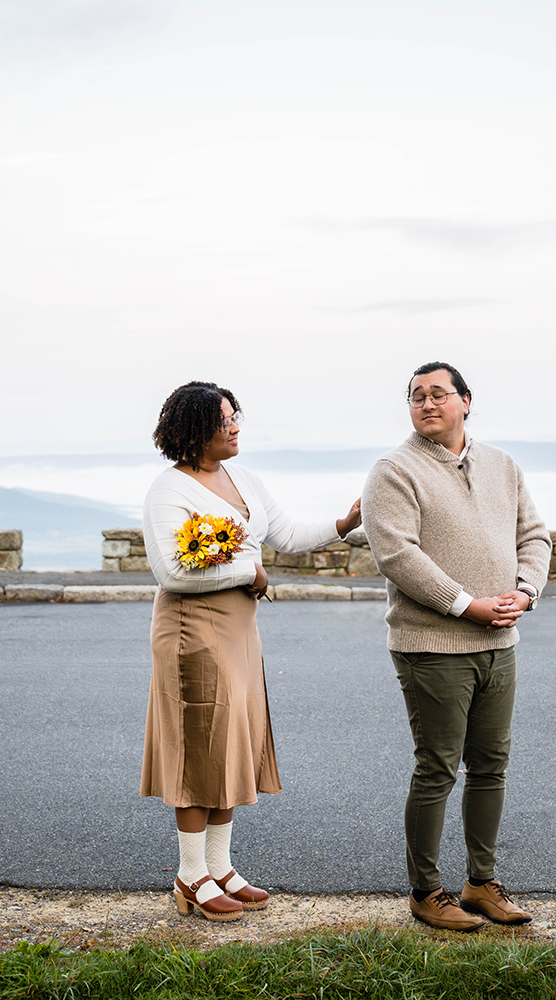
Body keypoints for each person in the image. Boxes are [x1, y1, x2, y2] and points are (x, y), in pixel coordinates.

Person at [140, 380, 362, 922]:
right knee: (199, 746)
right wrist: (252, 571)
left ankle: (221, 868)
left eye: (236, 414)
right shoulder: (168, 492)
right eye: (224, 418)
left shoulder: (244, 477)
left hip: (238, 633)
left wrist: (343, 524)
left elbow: (283, 532)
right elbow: (173, 571)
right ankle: (190, 875)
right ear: (195, 429)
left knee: (229, 745)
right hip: (192, 633)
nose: (236, 425)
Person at [360, 361, 551, 931]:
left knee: (491, 764)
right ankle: (426, 891)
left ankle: (480, 883)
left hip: (501, 640)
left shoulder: (502, 465)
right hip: (431, 645)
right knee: (438, 767)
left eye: (438, 394)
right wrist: (468, 605)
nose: (426, 404)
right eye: (416, 396)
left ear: (466, 401)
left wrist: (526, 591)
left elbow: (533, 534)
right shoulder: (393, 471)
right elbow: (397, 555)